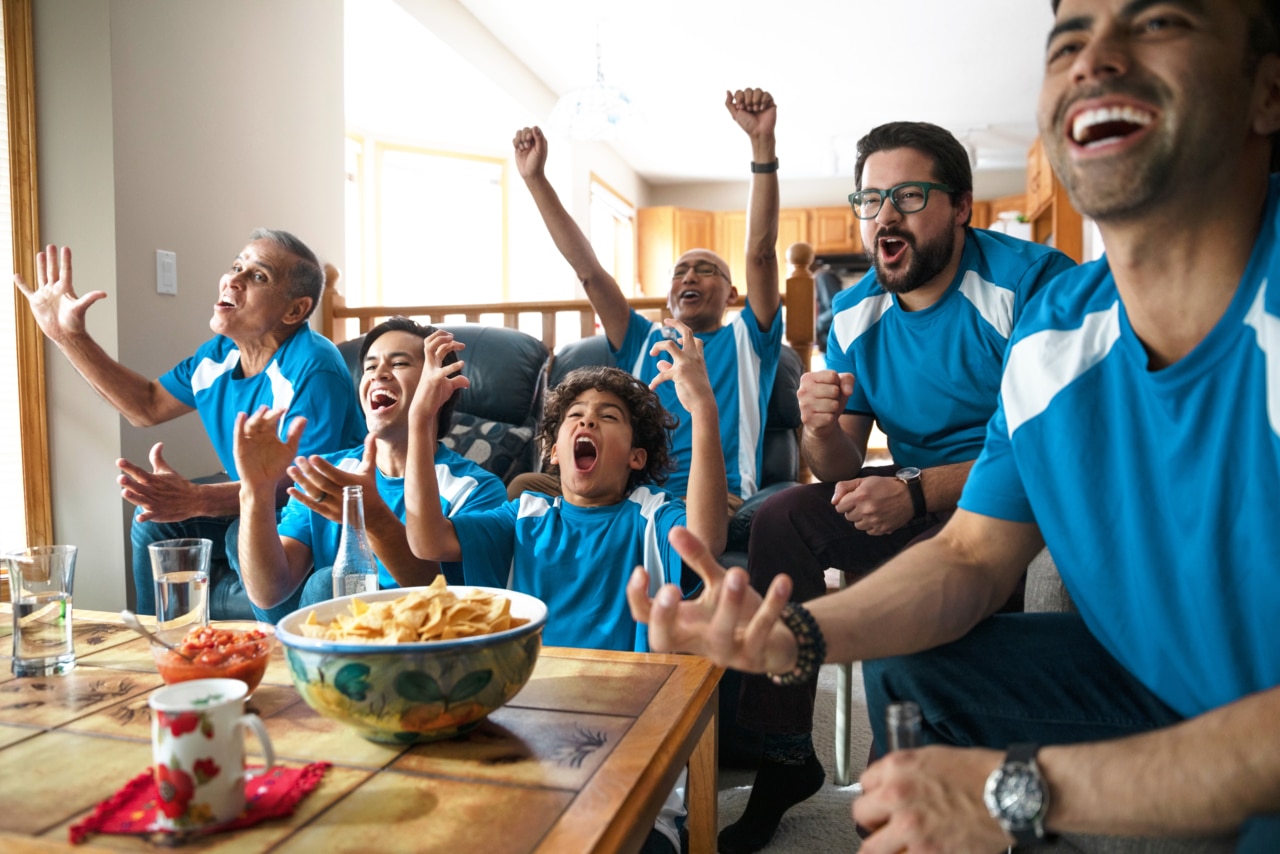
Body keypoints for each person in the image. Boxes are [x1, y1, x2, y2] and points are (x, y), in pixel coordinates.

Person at [630, 0, 1280, 850]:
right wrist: (794, 634)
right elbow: (969, 553)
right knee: (900, 652)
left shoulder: (1027, 291)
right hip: (1111, 645)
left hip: (962, 504)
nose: (1095, 59)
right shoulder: (1056, 338)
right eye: (1069, 38)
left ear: (1268, 93)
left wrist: (1022, 790)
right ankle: (786, 749)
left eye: (1159, 21)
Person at [718, 121, 1074, 854]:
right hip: (920, 497)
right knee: (783, 517)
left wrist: (914, 491)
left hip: (1012, 504)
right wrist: (817, 426)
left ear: (962, 207)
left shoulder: (1031, 283)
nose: (885, 215)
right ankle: (785, 756)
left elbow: (1050, 450)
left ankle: (947, 778)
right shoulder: (852, 313)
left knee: (929, 599)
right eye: (871, 199)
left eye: (909, 196)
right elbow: (842, 463)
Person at [406, 320, 726, 854]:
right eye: (575, 417)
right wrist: (421, 420)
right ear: (554, 453)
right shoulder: (524, 516)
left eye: (608, 417)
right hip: (524, 740)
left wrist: (704, 413)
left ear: (637, 458)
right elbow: (425, 538)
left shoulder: (649, 517)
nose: (588, 422)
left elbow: (707, 538)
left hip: (628, 749)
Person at [14, 231, 365, 617]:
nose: (234, 279)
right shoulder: (218, 355)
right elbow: (145, 406)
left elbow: (300, 486)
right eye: (236, 266)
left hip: (319, 514)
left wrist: (196, 500)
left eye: (258, 276)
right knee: (153, 525)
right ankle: (163, 649)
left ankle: (275, 654)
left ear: (294, 311)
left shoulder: (313, 367)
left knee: (236, 536)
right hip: (255, 498)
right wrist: (68, 336)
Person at [509, 86, 783, 509]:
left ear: (732, 293)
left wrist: (762, 145)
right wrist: (535, 180)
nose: (689, 275)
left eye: (706, 269)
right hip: (628, 494)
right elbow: (590, 274)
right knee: (526, 487)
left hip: (714, 498)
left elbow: (761, 254)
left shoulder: (750, 341)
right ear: (670, 294)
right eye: (679, 272)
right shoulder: (642, 338)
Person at [232, 318, 507, 622]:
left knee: (328, 584)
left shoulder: (474, 489)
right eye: (370, 367)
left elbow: (452, 605)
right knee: (250, 540)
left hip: (420, 642)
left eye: (399, 363)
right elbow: (270, 594)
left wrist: (374, 518)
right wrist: (255, 489)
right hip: (334, 635)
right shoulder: (328, 471)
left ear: (439, 387)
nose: (379, 374)